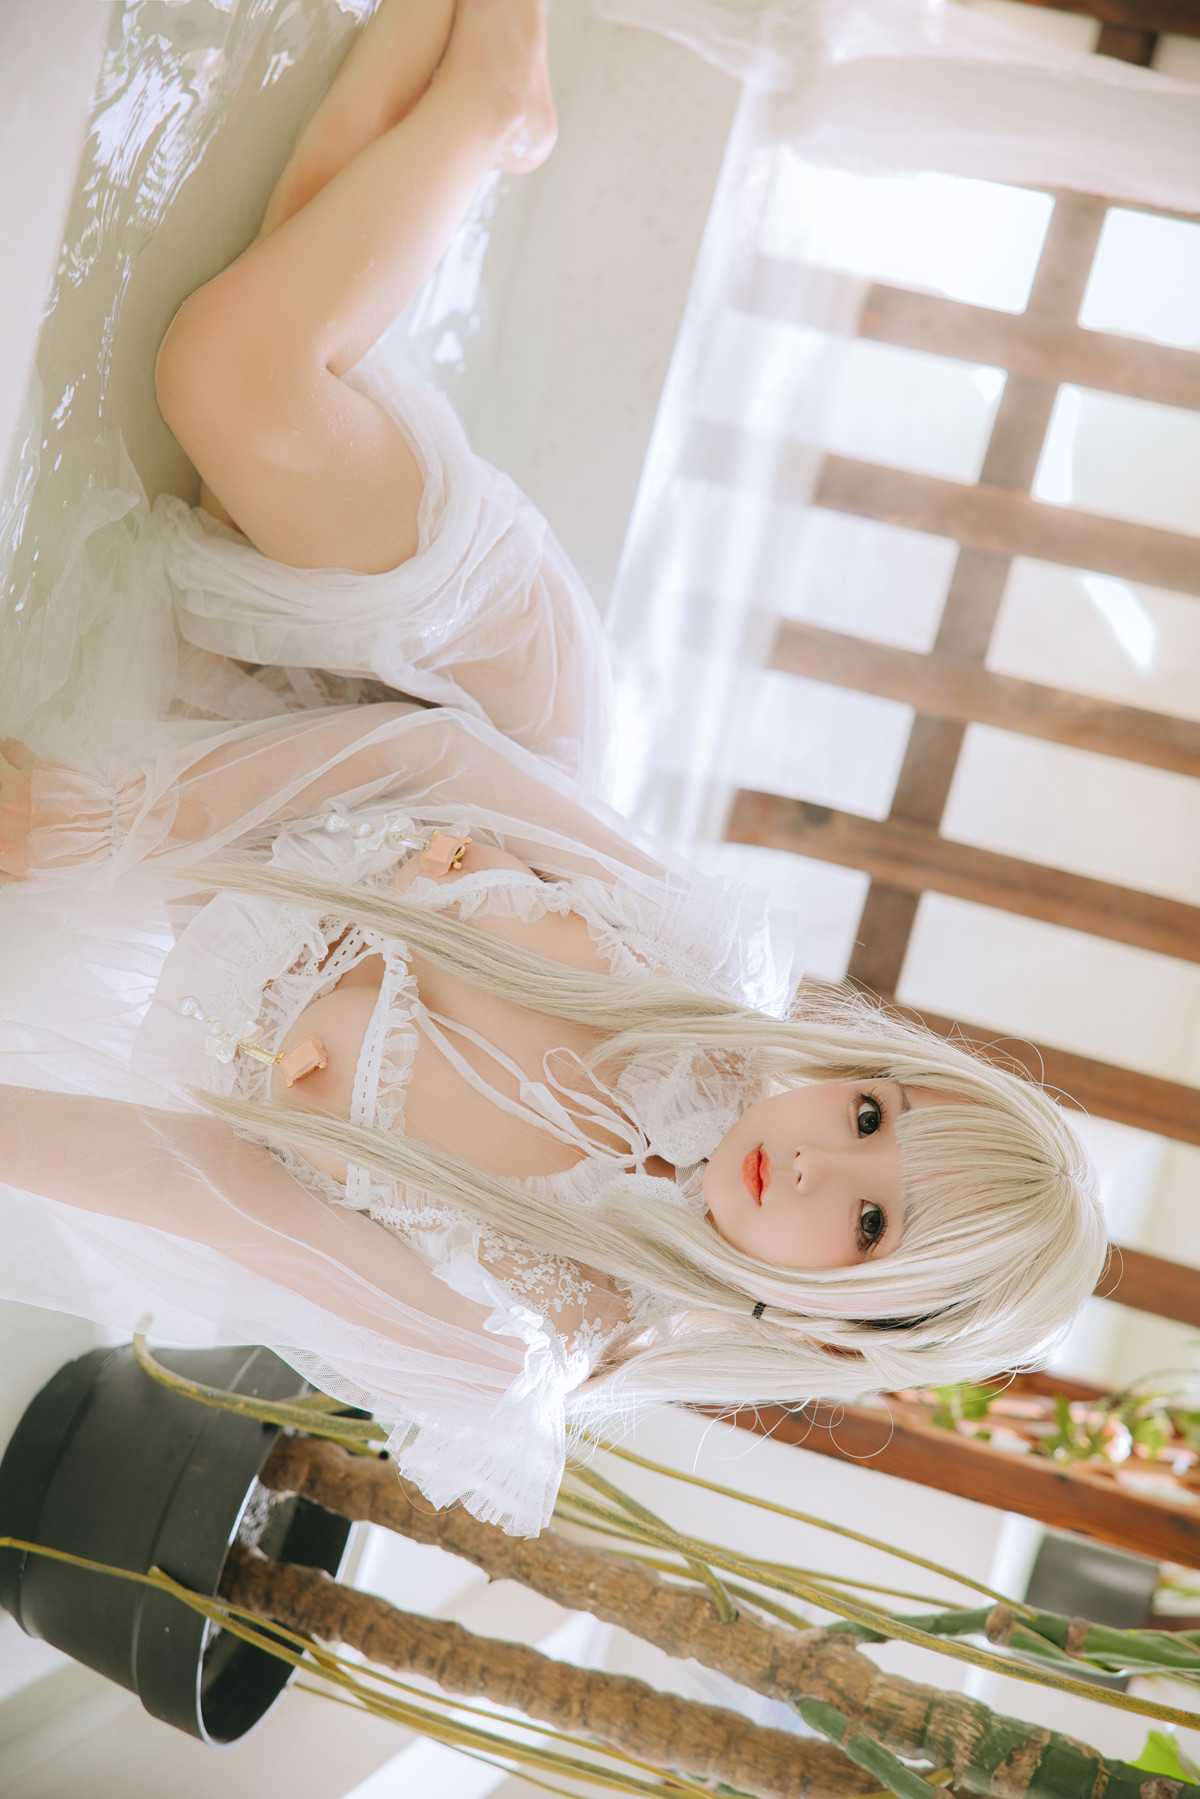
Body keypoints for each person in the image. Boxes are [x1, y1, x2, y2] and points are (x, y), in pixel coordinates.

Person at [0, 0, 1106, 1537]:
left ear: (846, 1337)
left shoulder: (507, 1334)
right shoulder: (713, 982)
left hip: (268, 831)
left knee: (277, 312)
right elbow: (435, 754)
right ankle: (490, 114)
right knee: (230, 372)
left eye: (868, 1224)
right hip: (455, 691)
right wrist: (119, 816)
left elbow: (198, 1183)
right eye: (870, 1118)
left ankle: (465, 104)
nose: (811, 1160)